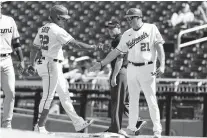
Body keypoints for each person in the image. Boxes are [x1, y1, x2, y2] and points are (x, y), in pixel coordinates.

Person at [90, 8, 165, 138]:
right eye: (128, 18)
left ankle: (157, 130)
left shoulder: (151, 28)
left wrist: (162, 64)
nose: (128, 20)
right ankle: (131, 128)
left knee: (151, 99)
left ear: (139, 17)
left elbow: (159, 47)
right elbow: (116, 52)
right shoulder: (127, 34)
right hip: (132, 67)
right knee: (133, 100)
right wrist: (102, 63)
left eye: (131, 17)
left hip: (148, 67)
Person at [28, 5, 102, 134]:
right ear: (57, 17)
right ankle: (39, 127)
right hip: (51, 64)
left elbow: (34, 48)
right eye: (63, 18)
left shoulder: (42, 28)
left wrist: (31, 64)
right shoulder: (57, 30)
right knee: (48, 97)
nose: (65, 21)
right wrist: (94, 47)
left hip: (49, 63)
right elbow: (76, 44)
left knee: (64, 93)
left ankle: (78, 123)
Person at [103, 18, 146, 137]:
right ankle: (137, 121)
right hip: (126, 71)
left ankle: (115, 129)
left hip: (121, 71)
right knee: (123, 101)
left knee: (117, 101)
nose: (110, 31)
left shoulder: (118, 39)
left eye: (113, 28)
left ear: (118, 28)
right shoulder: (123, 38)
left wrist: (114, 76)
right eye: (109, 29)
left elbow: (119, 59)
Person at [0, 1, 25, 128]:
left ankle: (6, 123)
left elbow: (16, 41)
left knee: (10, 92)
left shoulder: (9, 20)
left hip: (7, 59)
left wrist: (21, 60)